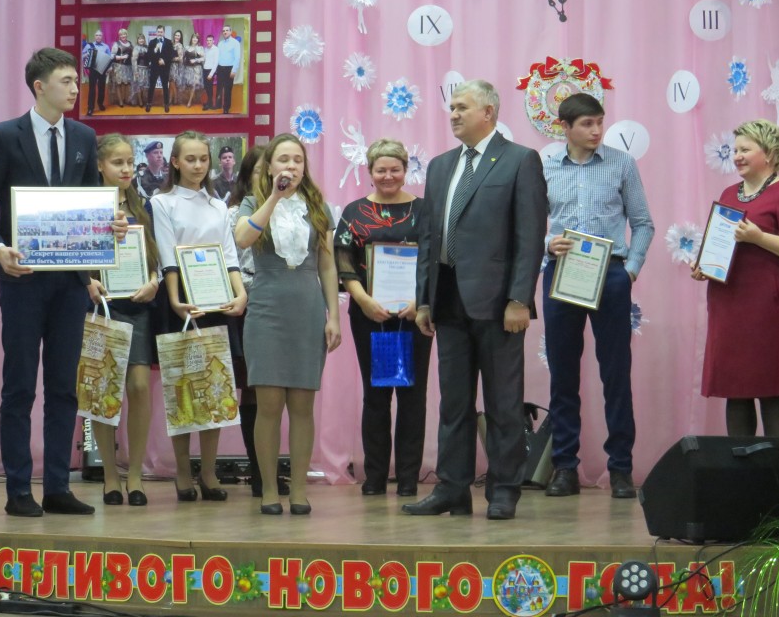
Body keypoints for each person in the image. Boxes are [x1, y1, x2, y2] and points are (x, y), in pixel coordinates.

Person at [0, 47, 126, 517]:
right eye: (66, 81)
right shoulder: (5, 136)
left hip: (70, 283)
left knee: (64, 387)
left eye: (76, 80)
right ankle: (18, 489)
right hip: (22, 279)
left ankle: (57, 486)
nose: (76, 88)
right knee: (19, 387)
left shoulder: (84, 136)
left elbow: (91, 203)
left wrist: (109, 227)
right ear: (40, 86)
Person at [403, 80, 546, 521]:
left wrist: (519, 298)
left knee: (503, 404)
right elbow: (429, 238)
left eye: (463, 107)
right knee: (453, 404)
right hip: (447, 300)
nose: (454, 114)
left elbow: (530, 236)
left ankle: (503, 490)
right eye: (451, 107)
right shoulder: (441, 166)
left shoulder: (520, 159)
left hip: (499, 304)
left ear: (489, 112)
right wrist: (424, 300)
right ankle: (452, 488)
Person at [541, 92, 654, 500]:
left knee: (616, 373)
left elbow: (643, 223)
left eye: (599, 122)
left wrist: (630, 269)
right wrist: (546, 244)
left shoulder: (621, 163)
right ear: (565, 128)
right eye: (586, 124)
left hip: (610, 274)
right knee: (563, 374)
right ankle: (564, 468)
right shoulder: (545, 167)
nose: (596, 131)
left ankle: (621, 468)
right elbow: (529, 222)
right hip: (562, 274)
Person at [233, 134, 342, 516]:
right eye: (284, 159)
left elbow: (327, 265)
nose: (291, 166)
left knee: (302, 404)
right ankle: (268, 489)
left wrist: (333, 316)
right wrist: (274, 198)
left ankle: (298, 490)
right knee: (268, 404)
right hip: (266, 309)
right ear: (270, 166)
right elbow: (243, 238)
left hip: (307, 309)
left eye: (297, 160)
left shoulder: (317, 206)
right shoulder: (253, 202)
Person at [692, 119, 779, 438]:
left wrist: (759, 237)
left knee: (772, 390)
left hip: (767, 307)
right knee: (735, 390)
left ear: (769, 153)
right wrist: (703, 265)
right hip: (728, 303)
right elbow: (719, 243)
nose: (737, 156)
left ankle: (777, 469)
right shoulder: (728, 193)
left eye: (745, 149)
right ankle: (740, 466)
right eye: (735, 150)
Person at [150, 131, 248, 503]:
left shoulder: (219, 206)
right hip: (179, 301)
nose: (198, 165)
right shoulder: (162, 202)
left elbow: (229, 255)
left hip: (216, 299)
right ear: (175, 162)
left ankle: (208, 471)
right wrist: (176, 300)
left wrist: (240, 293)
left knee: (215, 388)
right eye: (190, 159)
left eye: (203, 159)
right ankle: (182, 471)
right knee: (183, 389)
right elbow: (167, 254)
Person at [334, 138, 433, 498]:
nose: (388, 176)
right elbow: (343, 259)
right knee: (376, 395)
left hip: (415, 315)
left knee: (412, 395)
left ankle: (408, 477)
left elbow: (435, 259)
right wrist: (362, 300)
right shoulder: (355, 211)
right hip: (369, 315)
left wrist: (419, 301)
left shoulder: (425, 209)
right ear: (370, 171)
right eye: (381, 170)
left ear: (406, 170)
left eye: (395, 169)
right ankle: (374, 476)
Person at [92, 134, 161, 507]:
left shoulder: (142, 204)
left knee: (138, 386)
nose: (125, 169)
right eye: (117, 162)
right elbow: (73, 253)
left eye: (129, 162)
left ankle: (135, 474)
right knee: (104, 390)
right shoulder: (86, 204)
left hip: (136, 305)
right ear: (100, 165)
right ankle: (109, 475)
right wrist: (86, 282)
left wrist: (153, 281)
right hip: (99, 306)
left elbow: (154, 255)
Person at [224, 146, 288, 498]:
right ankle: (260, 472)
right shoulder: (236, 212)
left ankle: (268, 471)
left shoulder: (292, 208)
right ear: (248, 176)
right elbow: (231, 259)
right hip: (244, 305)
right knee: (251, 390)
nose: (270, 176)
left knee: (273, 391)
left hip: (278, 305)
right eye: (261, 170)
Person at [147, 25, 175, 113]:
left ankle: (166, 104)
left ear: (164, 32)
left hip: (164, 68)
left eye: (161, 32)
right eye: (158, 32)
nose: (160, 33)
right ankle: (149, 103)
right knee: (151, 86)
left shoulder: (169, 42)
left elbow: (171, 55)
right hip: (154, 68)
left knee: (165, 87)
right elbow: (149, 55)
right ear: (156, 32)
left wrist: (164, 60)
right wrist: (155, 50)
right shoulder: (152, 42)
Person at [215, 25, 242, 114]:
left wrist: (234, 70)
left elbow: (237, 58)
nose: (225, 32)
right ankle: (218, 104)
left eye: (227, 30)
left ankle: (226, 108)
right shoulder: (220, 43)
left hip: (229, 69)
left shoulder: (235, 43)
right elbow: (218, 57)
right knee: (219, 87)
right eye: (223, 31)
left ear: (230, 32)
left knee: (227, 89)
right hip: (220, 68)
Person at [84, 30, 111, 116]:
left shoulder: (106, 46)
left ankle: (100, 103)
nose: (98, 37)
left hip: (102, 69)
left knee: (101, 88)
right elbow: (82, 55)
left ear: (102, 37)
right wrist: (87, 54)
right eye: (97, 35)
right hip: (93, 69)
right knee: (92, 89)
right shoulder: (89, 45)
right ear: (94, 36)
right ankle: (90, 108)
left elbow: (109, 58)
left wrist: (109, 68)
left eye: (100, 35)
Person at [110, 28, 134, 107]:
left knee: (127, 84)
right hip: (119, 67)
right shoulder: (116, 44)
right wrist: (122, 57)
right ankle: (120, 101)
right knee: (119, 84)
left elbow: (133, 55)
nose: (123, 36)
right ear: (119, 36)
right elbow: (112, 56)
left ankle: (126, 99)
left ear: (127, 35)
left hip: (128, 67)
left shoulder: (130, 43)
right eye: (121, 34)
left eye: (124, 34)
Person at [183, 33, 205, 109]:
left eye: (196, 38)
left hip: (196, 69)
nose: (195, 39)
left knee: (193, 85)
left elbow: (203, 58)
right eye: (193, 38)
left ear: (198, 40)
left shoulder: (200, 48)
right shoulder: (187, 47)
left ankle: (189, 101)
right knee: (189, 85)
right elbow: (183, 57)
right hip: (188, 69)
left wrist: (195, 60)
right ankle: (193, 97)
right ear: (191, 39)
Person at [131, 32, 149, 108]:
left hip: (146, 69)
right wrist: (135, 71)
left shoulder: (147, 47)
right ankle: (140, 101)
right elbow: (134, 60)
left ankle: (143, 98)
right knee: (138, 85)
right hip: (139, 69)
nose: (141, 40)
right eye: (140, 39)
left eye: (142, 39)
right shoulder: (136, 48)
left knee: (145, 86)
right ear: (137, 40)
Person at [202, 34, 219, 110]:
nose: (208, 42)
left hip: (210, 71)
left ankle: (210, 104)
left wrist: (211, 74)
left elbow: (216, 63)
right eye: (207, 40)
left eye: (210, 40)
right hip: (205, 70)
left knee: (209, 88)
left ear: (213, 41)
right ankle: (209, 102)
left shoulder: (216, 49)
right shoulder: (205, 49)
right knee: (206, 87)